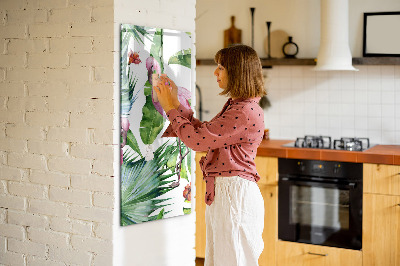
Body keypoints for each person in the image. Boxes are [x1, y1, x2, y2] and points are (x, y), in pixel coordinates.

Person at [154, 44, 266, 266]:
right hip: (229, 194)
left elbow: (197, 141)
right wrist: (176, 104)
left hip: (234, 196)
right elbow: (204, 133)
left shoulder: (243, 111)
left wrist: (170, 108)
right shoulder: (239, 106)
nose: (215, 72)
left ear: (237, 72)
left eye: (221, 67)